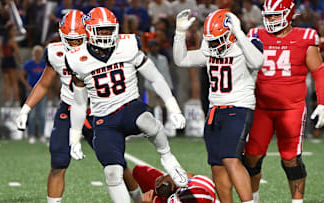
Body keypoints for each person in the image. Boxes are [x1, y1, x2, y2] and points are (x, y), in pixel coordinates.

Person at [16, 10, 142, 203]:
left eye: (78, 39)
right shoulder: (56, 52)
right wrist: (26, 109)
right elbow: (44, 83)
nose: (74, 44)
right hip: (69, 108)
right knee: (58, 162)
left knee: (116, 163)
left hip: (99, 111)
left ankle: (138, 199)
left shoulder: (103, 48)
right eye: (70, 39)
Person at [66, 7, 188, 203]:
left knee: (148, 122)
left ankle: (167, 157)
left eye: (109, 29)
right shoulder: (77, 58)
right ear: (89, 31)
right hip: (104, 120)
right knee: (113, 173)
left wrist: (172, 106)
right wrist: (74, 137)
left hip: (129, 107)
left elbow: (155, 76)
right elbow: (79, 103)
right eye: (101, 30)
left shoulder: (128, 45)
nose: (106, 34)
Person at [173, 9, 264, 203]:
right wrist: (180, 33)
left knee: (231, 159)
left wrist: (239, 32)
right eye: (211, 40)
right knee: (217, 165)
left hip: (238, 108)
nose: (214, 44)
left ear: (231, 33)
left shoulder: (246, 46)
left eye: (218, 39)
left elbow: (257, 61)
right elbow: (181, 60)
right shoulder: (210, 50)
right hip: (214, 112)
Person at [244, 0, 324, 202]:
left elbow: (319, 72)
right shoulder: (255, 35)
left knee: (290, 159)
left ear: (289, 15)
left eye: (275, 15)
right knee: (251, 157)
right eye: (268, 15)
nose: (270, 20)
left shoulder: (305, 37)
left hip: (291, 108)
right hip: (260, 107)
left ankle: (298, 201)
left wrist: (322, 103)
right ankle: (253, 198)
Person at [132, 165, 216, 203]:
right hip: (176, 191)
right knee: (140, 171)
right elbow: (190, 176)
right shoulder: (203, 184)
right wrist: (173, 177)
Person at [19, 45, 46, 144]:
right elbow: (21, 75)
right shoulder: (29, 64)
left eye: (39, 53)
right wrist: (27, 85)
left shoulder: (44, 64)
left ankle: (42, 134)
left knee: (42, 114)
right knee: (32, 114)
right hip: (32, 91)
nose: (38, 55)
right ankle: (31, 135)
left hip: (42, 91)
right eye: (36, 53)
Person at [0, 23, 22, 107]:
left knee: (7, 84)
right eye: (13, 30)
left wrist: (4, 57)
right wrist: (20, 62)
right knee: (14, 83)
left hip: (4, 62)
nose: (14, 32)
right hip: (11, 61)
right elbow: (17, 53)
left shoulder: (3, 41)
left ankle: (7, 101)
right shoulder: (12, 41)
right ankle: (16, 101)